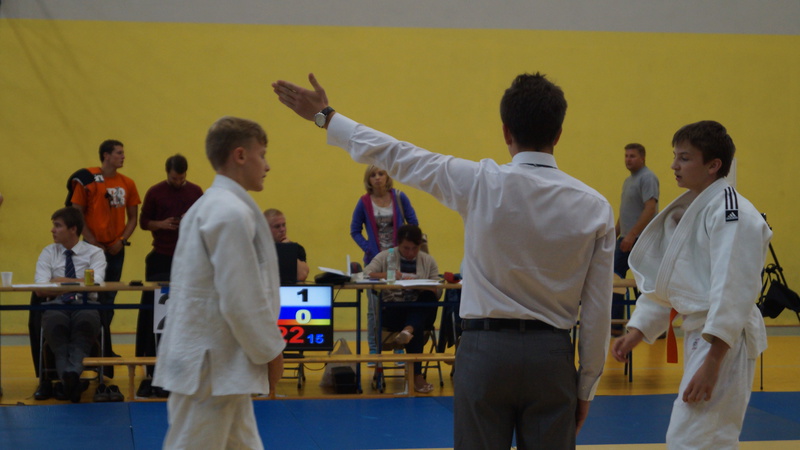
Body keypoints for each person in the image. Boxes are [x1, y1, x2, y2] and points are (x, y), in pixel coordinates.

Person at [273, 72, 615, 448]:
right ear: (559, 133)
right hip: (551, 357)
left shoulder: (479, 181)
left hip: (484, 354)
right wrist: (587, 386)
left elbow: (397, 154)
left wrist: (326, 117)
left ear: (505, 131)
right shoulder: (596, 207)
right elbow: (598, 310)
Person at [612, 121, 771, 449]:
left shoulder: (733, 213)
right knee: (706, 439)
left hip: (724, 340)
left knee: (694, 439)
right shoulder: (693, 208)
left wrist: (713, 361)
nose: (674, 165)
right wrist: (639, 330)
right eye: (675, 156)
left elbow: (734, 290)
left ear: (713, 165)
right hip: (704, 334)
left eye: (684, 158)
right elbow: (673, 279)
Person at [153, 116, 285, 449]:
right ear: (240, 155)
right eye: (262, 155)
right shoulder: (228, 212)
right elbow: (240, 298)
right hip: (211, 364)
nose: (267, 165)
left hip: (216, 362)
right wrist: (271, 351)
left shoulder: (211, 206)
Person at [135, 154, 203, 398]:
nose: (178, 182)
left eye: (182, 178)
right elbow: (143, 223)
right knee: (156, 317)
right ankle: (153, 370)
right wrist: (161, 224)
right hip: (161, 258)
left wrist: (189, 221)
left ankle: (186, 370)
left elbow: (204, 220)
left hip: (188, 259)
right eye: (175, 178)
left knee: (187, 315)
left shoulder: (196, 192)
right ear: (167, 173)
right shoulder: (155, 192)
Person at [70, 139, 141, 356]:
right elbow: (76, 212)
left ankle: (104, 346)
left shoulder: (128, 183)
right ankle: (87, 345)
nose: (123, 156)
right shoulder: (88, 180)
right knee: (90, 296)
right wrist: (92, 241)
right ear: (106, 156)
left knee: (109, 298)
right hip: (90, 250)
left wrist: (122, 240)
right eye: (119, 153)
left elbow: (133, 218)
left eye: (123, 152)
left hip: (115, 250)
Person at [33, 207, 106, 403]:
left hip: (85, 304)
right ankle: (72, 378)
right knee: (57, 334)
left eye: (58, 226)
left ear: (73, 229)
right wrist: (78, 282)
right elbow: (40, 289)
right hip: (56, 304)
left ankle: (68, 379)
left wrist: (58, 282)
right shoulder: (48, 252)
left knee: (83, 332)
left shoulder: (95, 253)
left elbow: (95, 284)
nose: (52, 230)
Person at [362, 224, 441, 393]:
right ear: (398, 244)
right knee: (416, 322)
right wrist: (387, 275)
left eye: (415, 248)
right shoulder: (385, 256)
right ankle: (416, 376)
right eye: (406, 248)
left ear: (420, 246)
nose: (410, 253)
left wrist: (421, 285)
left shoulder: (428, 260)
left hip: (419, 309)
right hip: (393, 312)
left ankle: (408, 330)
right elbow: (365, 273)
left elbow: (438, 291)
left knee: (427, 299)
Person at [352, 165, 419, 356]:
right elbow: (354, 230)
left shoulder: (399, 197)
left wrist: (405, 245)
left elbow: (413, 223)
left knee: (399, 305)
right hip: (375, 262)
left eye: (381, 174)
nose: (377, 178)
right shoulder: (364, 202)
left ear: (387, 177)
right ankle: (374, 350)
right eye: (373, 175)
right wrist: (368, 248)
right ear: (368, 180)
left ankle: (398, 349)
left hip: (399, 261)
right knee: (373, 307)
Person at [612, 143, 659, 335]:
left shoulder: (648, 178)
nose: (628, 159)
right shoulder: (628, 181)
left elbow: (650, 208)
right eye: (626, 156)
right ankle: (615, 324)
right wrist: (614, 234)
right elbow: (625, 212)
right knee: (614, 278)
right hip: (626, 239)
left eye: (632, 156)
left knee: (645, 284)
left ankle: (649, 327)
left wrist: (632, 235)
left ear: (642, 158)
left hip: (642, 240)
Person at [264, 208, 309, 282]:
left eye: (284, 225)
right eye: (277, 226)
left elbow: (302, 275)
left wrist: (286, 249)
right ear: (265, 229)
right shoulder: (258, 249)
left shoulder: (296, 248)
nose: (282, 229)